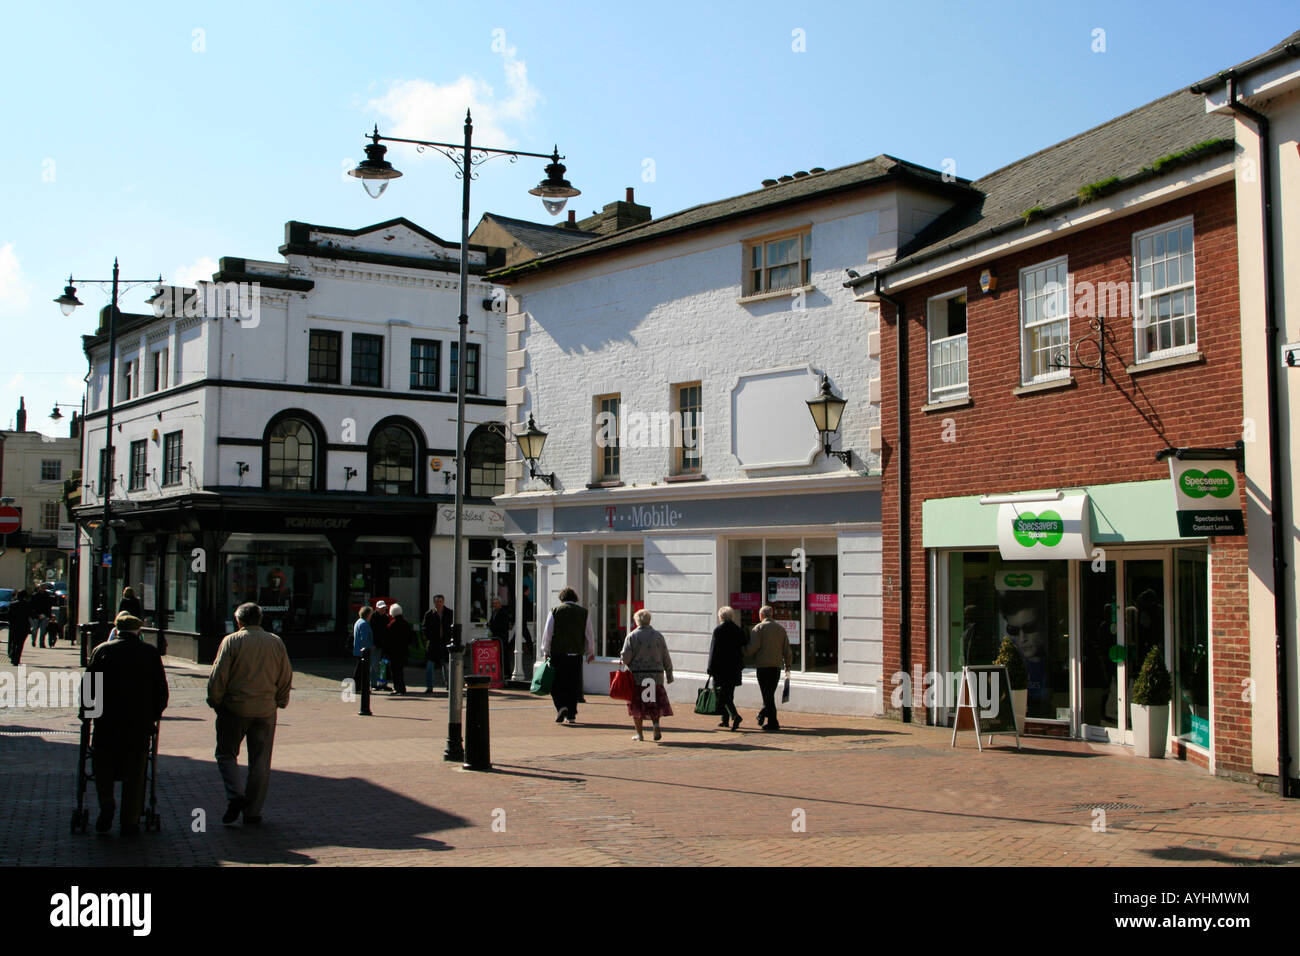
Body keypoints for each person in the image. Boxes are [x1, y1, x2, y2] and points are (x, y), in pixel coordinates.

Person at [207, 603, 292, 826]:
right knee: (260, 761)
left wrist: (215, 700)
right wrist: (280, 700)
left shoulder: (232, 641)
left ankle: (235, 796)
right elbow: (285, 675)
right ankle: (253, 811)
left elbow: (219, 675)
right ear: (260, 619)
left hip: (235, 707)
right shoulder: (275, 642)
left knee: (226, 753)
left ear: (239, 621)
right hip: (265, 709)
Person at [84, 612, 168, 835]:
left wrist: (87, 716)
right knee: (136, 771)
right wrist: (154, 714)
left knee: (102, 765)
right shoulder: (149, 653)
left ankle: (107, 802)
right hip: (138, 724)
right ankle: (130, 819)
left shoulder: (102, 650)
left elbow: (90, 688)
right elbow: (161, 690)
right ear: (138, 631)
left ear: (116, 629)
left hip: (107, 723)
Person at [539, 587, 595, 725]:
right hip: (575, 654)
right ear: (575, 597)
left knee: (557, 683)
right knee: (573, 684)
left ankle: (561, 706)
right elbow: (589, 634)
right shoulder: (583, 613)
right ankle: (571, 714)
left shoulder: (555, 611)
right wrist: (590, 651)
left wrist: (545, 650)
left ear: (561, 598)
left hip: (558, 653)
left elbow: (548, 633)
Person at [620, 608, 674, 742]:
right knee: (653, 701)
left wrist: (624, 658)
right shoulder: (658, 636)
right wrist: (669, 673)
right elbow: (665, 655)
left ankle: (640, 734)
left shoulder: (632, 636)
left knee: (637, 705)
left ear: (636, 620)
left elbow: (626, 658)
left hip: (637, 677)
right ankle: (656, 725)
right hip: (655, 676)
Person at [746, 605, 792, 732]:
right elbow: (787, 650)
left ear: (761, 615)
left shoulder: (759, 628)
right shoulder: (780, 629)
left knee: (767, 695)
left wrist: (742, 652)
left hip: (763, 666)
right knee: (769, 694)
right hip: (776, 667)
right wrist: (788, 665)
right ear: (771, 615)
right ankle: (763, 715)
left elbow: (753, 647)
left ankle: (773, 721)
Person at [707, 606, 747, 731]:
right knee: (729, 693)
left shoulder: (719, 630)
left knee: (721, 695)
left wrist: (710, 668)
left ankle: (734, 715)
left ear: (721, 617)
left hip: (721, 668)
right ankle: (725, 720)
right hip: (734, 667)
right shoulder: (738, 630)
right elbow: (744, 645)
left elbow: (713, 651)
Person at [422, 594, 452, 694]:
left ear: (443, 602)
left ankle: (449, 685)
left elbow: (453, 627)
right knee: (430, 666)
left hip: (445, 642)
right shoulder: (429, 614)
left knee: (447, 665)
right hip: (433, 643)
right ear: (434, 602)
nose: (438, 603)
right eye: (436, 601)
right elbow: (424, 628)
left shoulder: (449, 613)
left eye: (440, 601)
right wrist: (428, 637)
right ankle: (429, 687)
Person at [384, 603, 412, 696]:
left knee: (395, 671)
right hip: (403, 651)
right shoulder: (406, 623)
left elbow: (388, 640)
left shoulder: (391, 625)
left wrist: (386, 651)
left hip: (394, 652)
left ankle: (397, 688)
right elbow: (409, 638)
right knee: (400, 670)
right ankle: (402, 688)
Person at [352, 606, 374, 716]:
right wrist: (368, 648)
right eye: (371, 614)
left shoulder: (358, 622)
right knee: (362, 670)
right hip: (363, 651)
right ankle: (359, 687)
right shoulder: (364, 624)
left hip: (358, 650)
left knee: (359, 668)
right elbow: (364, 638)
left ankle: (357, 686)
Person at [488, 597, 513, 674]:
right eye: (493, 603)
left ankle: (506, 672)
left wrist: (492, 626)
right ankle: (500, 671)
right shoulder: (494, 612)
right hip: (495, 637)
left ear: (500, 604)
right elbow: (492, 621)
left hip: (502, 637)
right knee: (497, 655)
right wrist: (489, 624)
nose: (494, 605)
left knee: (504, 655)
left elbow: (503, 625)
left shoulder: (503, 613)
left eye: (496, 603)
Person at [371, 600, 391, 691]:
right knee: (375, 665)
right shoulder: (373, 617)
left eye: (384, 608)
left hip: (384, 645)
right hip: (376, 644)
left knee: (383, 665)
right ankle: (374, 684)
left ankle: (382, 683)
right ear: (377, 608)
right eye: (382, 608)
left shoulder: (386, 617)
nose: (383, 609)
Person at [7, 590, 31, 665]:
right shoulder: (27, 605)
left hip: (14, 626)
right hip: (24, 626)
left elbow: (9, 616)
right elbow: (32, 614)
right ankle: (17, 659)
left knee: (14, 643)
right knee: (20, 644)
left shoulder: (12, 605)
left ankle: (12, 657)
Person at [30, 582, 52, 648]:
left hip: (44, 615)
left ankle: (42, 643)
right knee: (35, 629)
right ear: (39, 588)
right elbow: (31, 606)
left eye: (44, 587)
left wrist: (48, 615)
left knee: (43, 630)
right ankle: (33, 640)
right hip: (36, 615)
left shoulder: (47, 596)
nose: (43, 589)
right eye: (42, 587)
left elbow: (49, 606)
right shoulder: (34, 595)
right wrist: (35, 615)